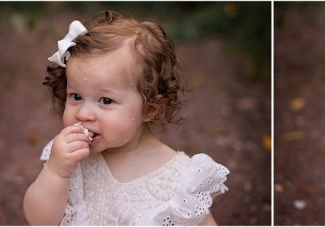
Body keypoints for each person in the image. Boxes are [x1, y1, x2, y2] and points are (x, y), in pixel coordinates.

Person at [23, 11, 229, 225]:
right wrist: (56, 172)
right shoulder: (69, 157)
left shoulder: (179, 179)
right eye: (76, 96)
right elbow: (39, 220)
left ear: (150, 109)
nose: (83, 114)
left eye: (105, 101)